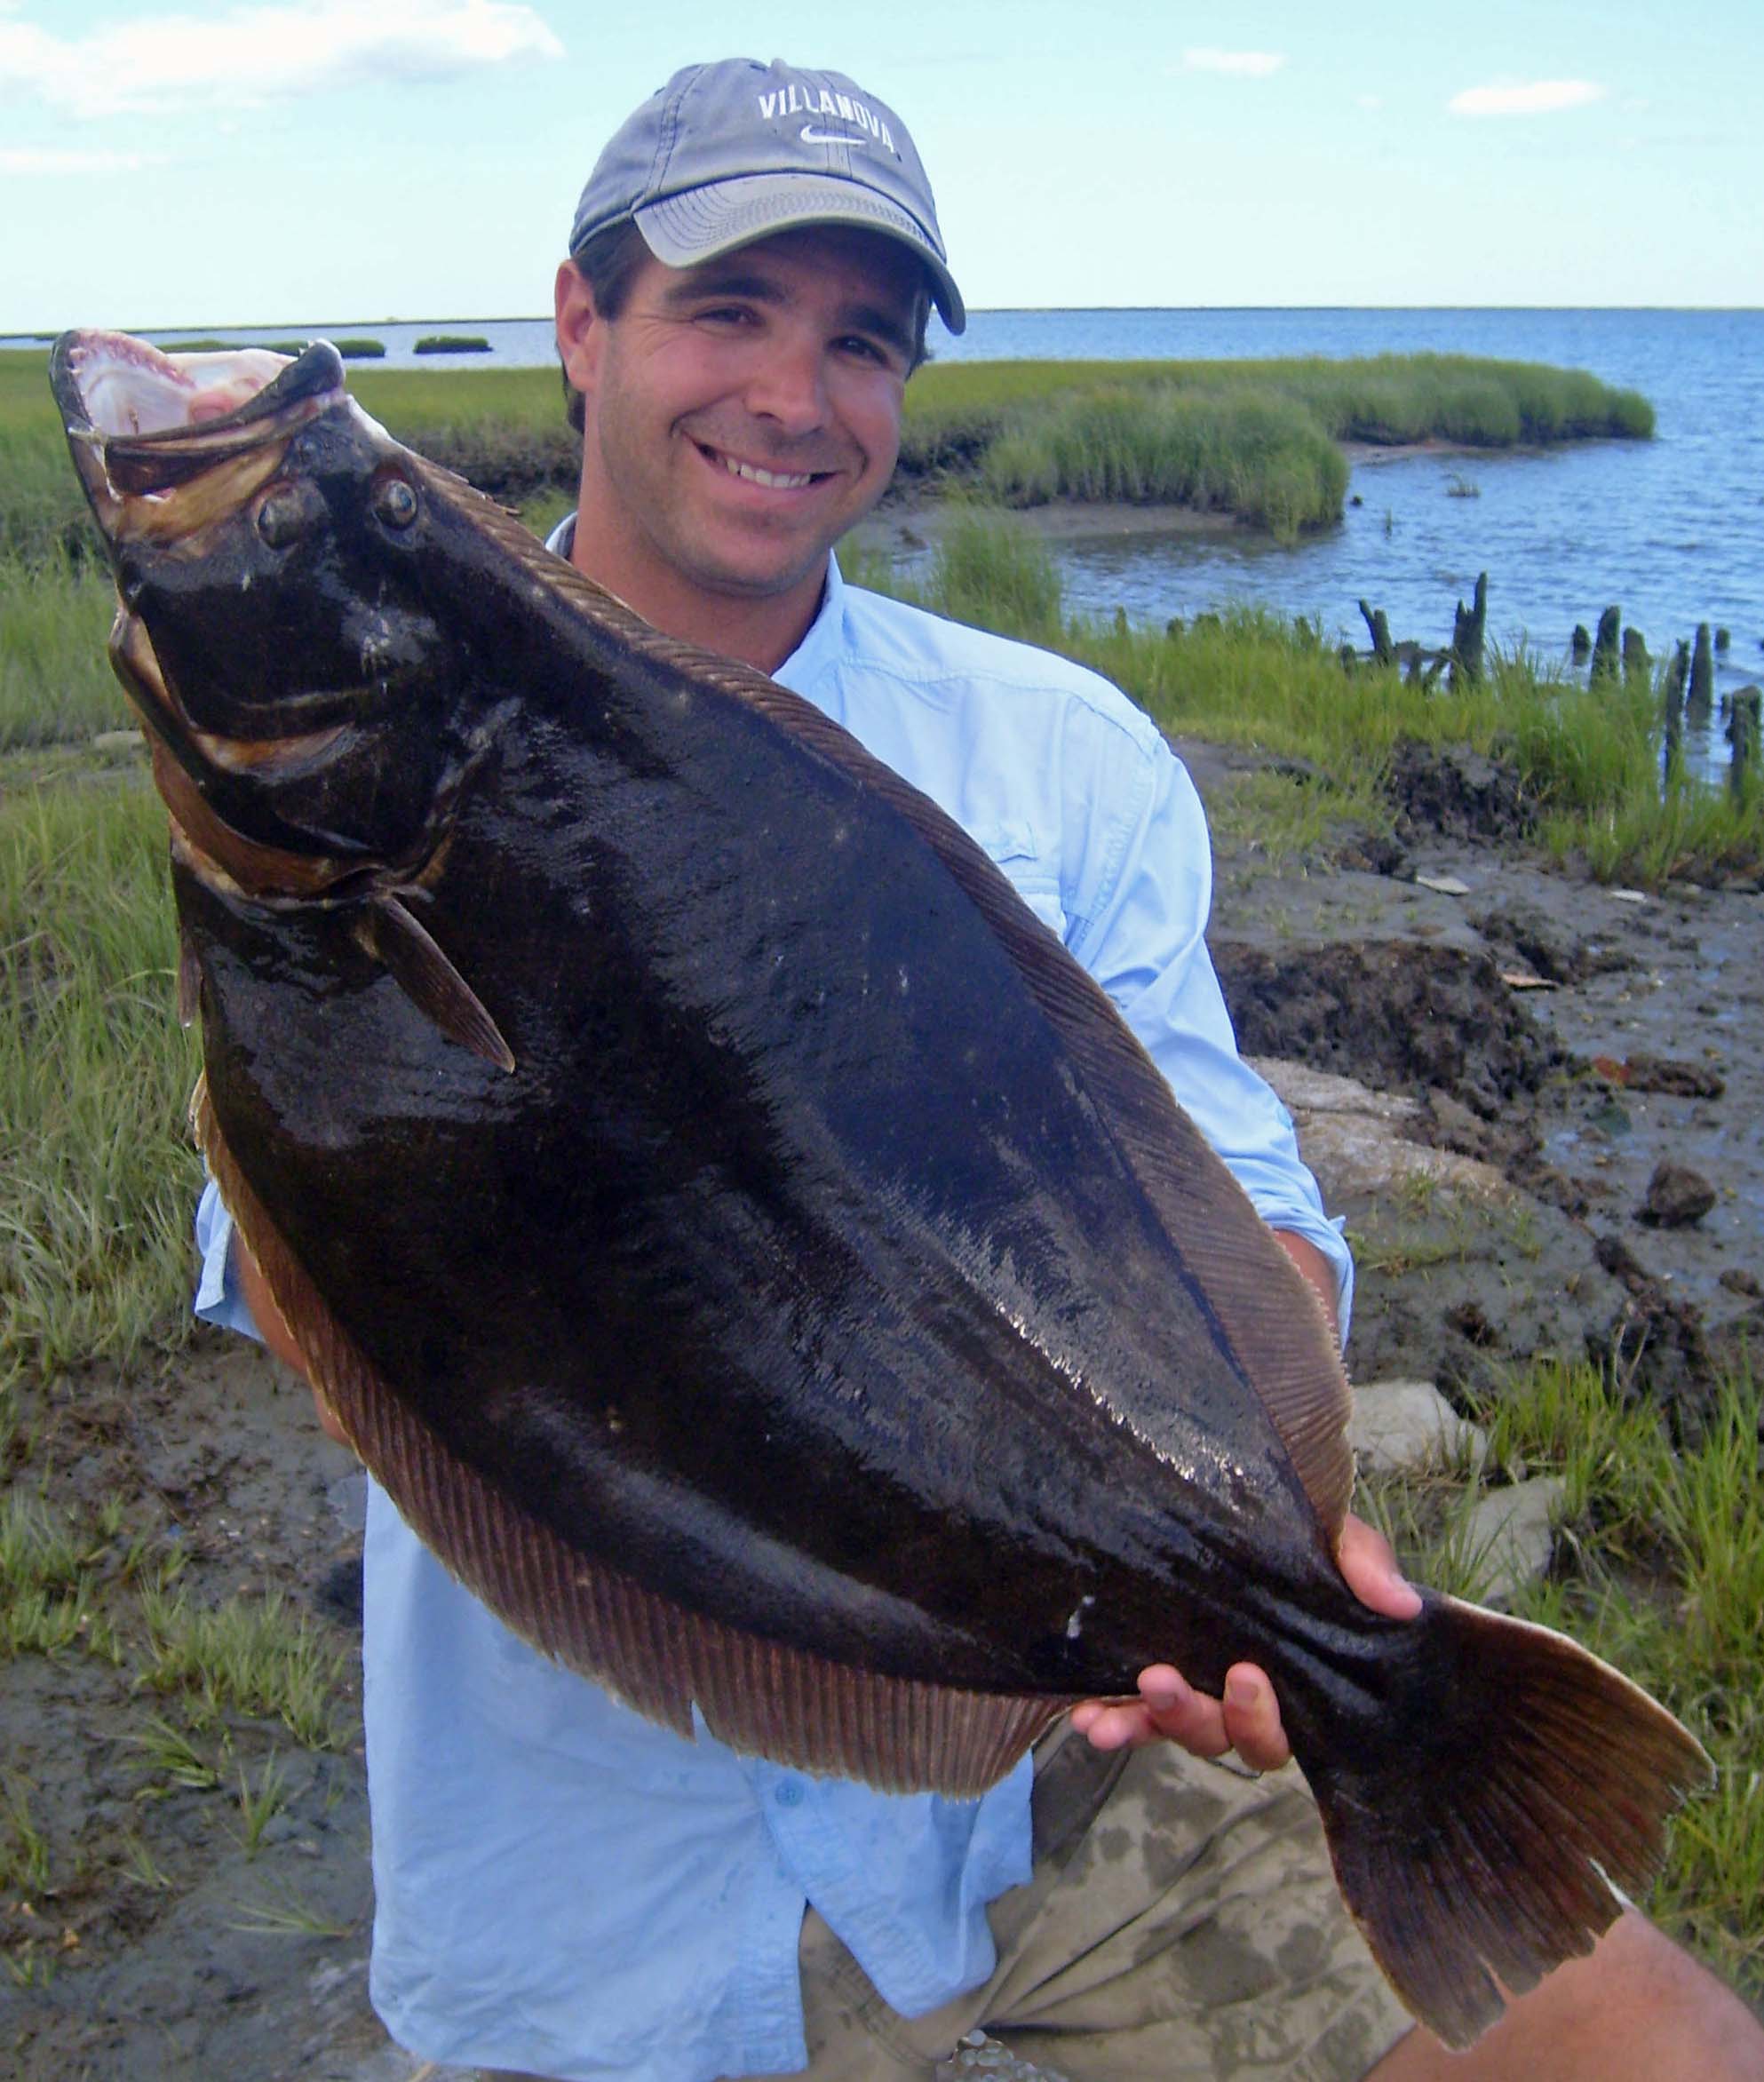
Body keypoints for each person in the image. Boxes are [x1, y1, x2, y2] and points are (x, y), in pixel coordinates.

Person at [196, 57, 1763, 2082]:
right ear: (578, 327)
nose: (792, 394)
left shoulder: (1060, 753)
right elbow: (304, 1272)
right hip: (584, 1898)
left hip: (1055, 1795)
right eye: (727, 310)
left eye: (860, 341)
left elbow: (1246, 1200)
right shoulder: (355, 799)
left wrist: (1251, 1543)